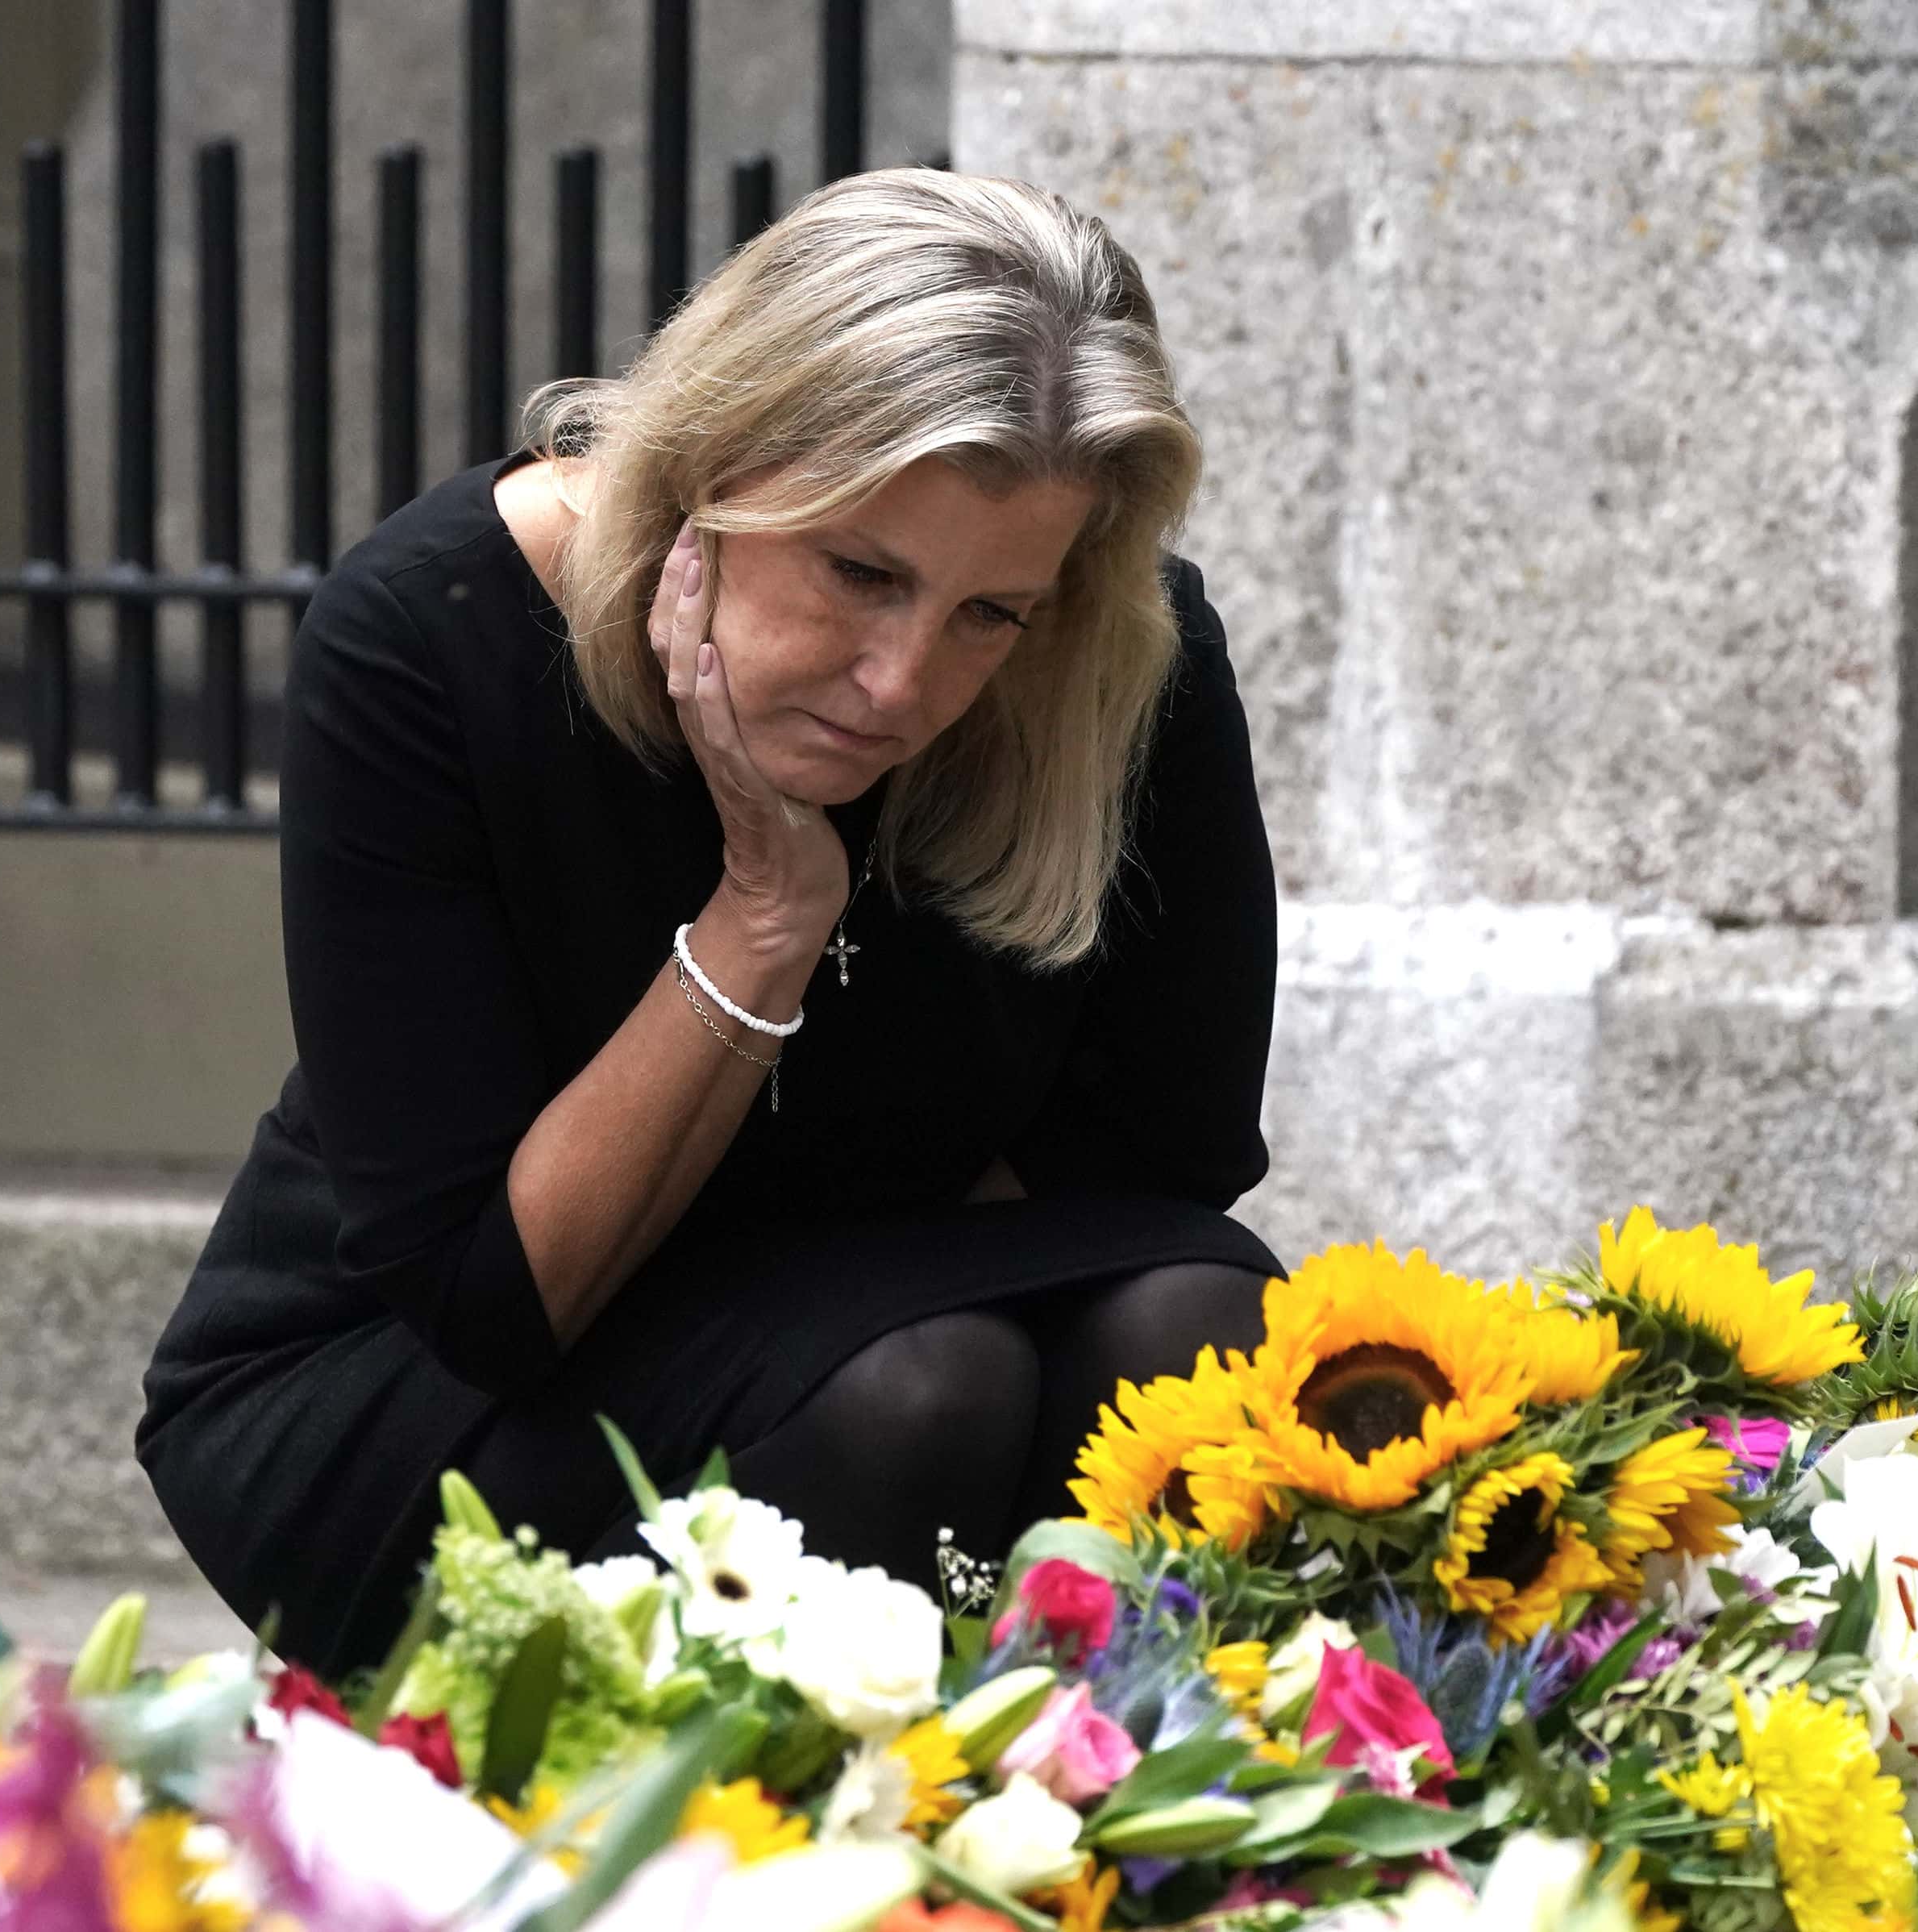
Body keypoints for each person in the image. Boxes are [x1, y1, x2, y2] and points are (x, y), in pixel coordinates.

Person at [134, 169, 1283, 1680]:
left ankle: (1069, 1858)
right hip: (415, 1385)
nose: (900, 681)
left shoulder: (1116, 652)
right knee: (916, 1384)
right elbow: (487, 1296)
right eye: (860, 573)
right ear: (713, 472)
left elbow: (1169, 1149)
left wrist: (828, 1261)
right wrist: (765, 917)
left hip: (871, 1304)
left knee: (1197, 1317)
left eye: (987, 614)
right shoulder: (430, 635)